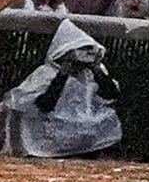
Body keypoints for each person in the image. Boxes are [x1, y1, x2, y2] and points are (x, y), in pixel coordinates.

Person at [10, 17, 123, 158]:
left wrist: (97, 70)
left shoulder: (92, 72)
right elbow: (43, 105)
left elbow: (111, 94)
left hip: (87, 120)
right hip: (53, 122)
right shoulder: (46, 72)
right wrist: (63, 75)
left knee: (108, 119)